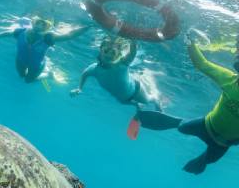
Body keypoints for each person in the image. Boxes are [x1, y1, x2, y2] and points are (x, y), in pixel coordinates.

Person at [136, 34, 239, 174]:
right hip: (206, 125)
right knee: (182, 127)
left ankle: (201, 158)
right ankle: (176, 122)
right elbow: (202, 64)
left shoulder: (230, 79)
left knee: (209, 161)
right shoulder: (229, 79)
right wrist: (190, 43)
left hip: (223, 143)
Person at [0, 17, 90, 83]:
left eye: (44, 25)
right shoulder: (21, 32)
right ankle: (43, 73)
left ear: (46, 28)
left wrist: (87, 27)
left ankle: (48, 75)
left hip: (37, 65)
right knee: (21, 76)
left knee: (28, 81)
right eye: (39, 22)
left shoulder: (48, 38)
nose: (40, 26)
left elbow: (69, 35)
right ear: (34, 22)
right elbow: (7, 33)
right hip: (20, 60)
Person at [70, 36, 162, 110]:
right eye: (106, 51)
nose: (109, 55)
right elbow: (85, 74)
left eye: (113, 53)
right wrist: (79, 88)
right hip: (122, 98)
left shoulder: (122, 65)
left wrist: (133, 42)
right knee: (122, 102)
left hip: (135, 91)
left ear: (118, 55)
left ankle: (155, 99)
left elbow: (131, 54)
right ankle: (136, 105)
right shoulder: (94, 69)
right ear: (101, 51)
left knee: (146, 100)